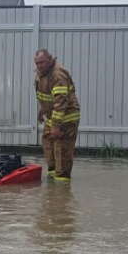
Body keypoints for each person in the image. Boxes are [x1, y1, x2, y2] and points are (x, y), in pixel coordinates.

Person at [33, 48, 81, 183]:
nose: (39, 66)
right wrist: (42, 110)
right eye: (37, 63)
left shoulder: (57, 75)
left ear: (50, 60)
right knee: (49, 148)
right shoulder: (41, 74)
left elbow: (61, 102)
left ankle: (62, 193)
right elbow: (46, 96)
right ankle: (51, 189)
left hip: (66, 119)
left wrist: (56, 126)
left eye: (42, 62)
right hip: (52, 117)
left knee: (62, 152)